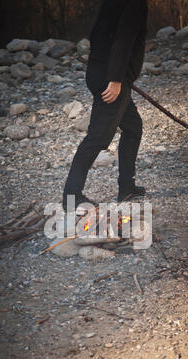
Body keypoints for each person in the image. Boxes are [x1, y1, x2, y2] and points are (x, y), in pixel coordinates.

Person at [63, 0, 148, 211]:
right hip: (111, 80)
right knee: (98, 137)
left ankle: (127, 186)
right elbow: (123, 39)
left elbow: (98, 34)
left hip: (102, 74)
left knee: (133, 128)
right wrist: (116, 78)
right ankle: (71, 196)